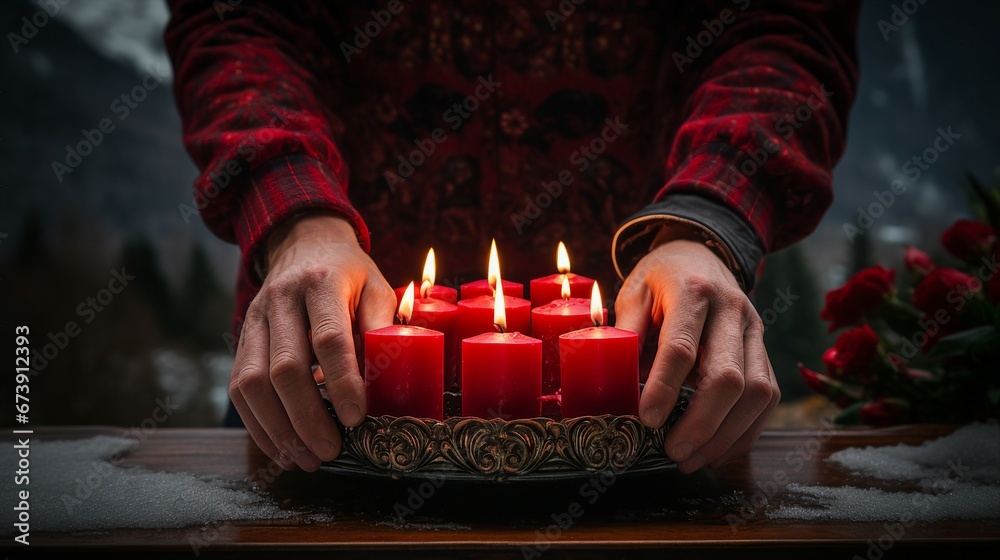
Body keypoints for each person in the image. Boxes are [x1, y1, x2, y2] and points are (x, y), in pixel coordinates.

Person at [165, 0, 858, 474]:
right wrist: (297, 218)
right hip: (314, 376)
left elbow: (783, 26)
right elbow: (237, 22)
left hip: (656, 403)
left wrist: (704, 223)